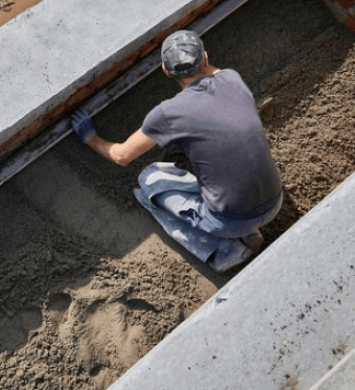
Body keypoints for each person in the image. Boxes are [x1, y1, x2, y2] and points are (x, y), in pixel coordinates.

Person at [71, 30, 282, 272]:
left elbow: (121, 156)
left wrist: (90, 137)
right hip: (275, 200)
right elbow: (214, 72)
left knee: (149, 179)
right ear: (206, 58)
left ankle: (226, 252)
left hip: (231, 221)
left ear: (165, 71)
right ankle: (248, 228)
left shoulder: (169, 113)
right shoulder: (232, 78)